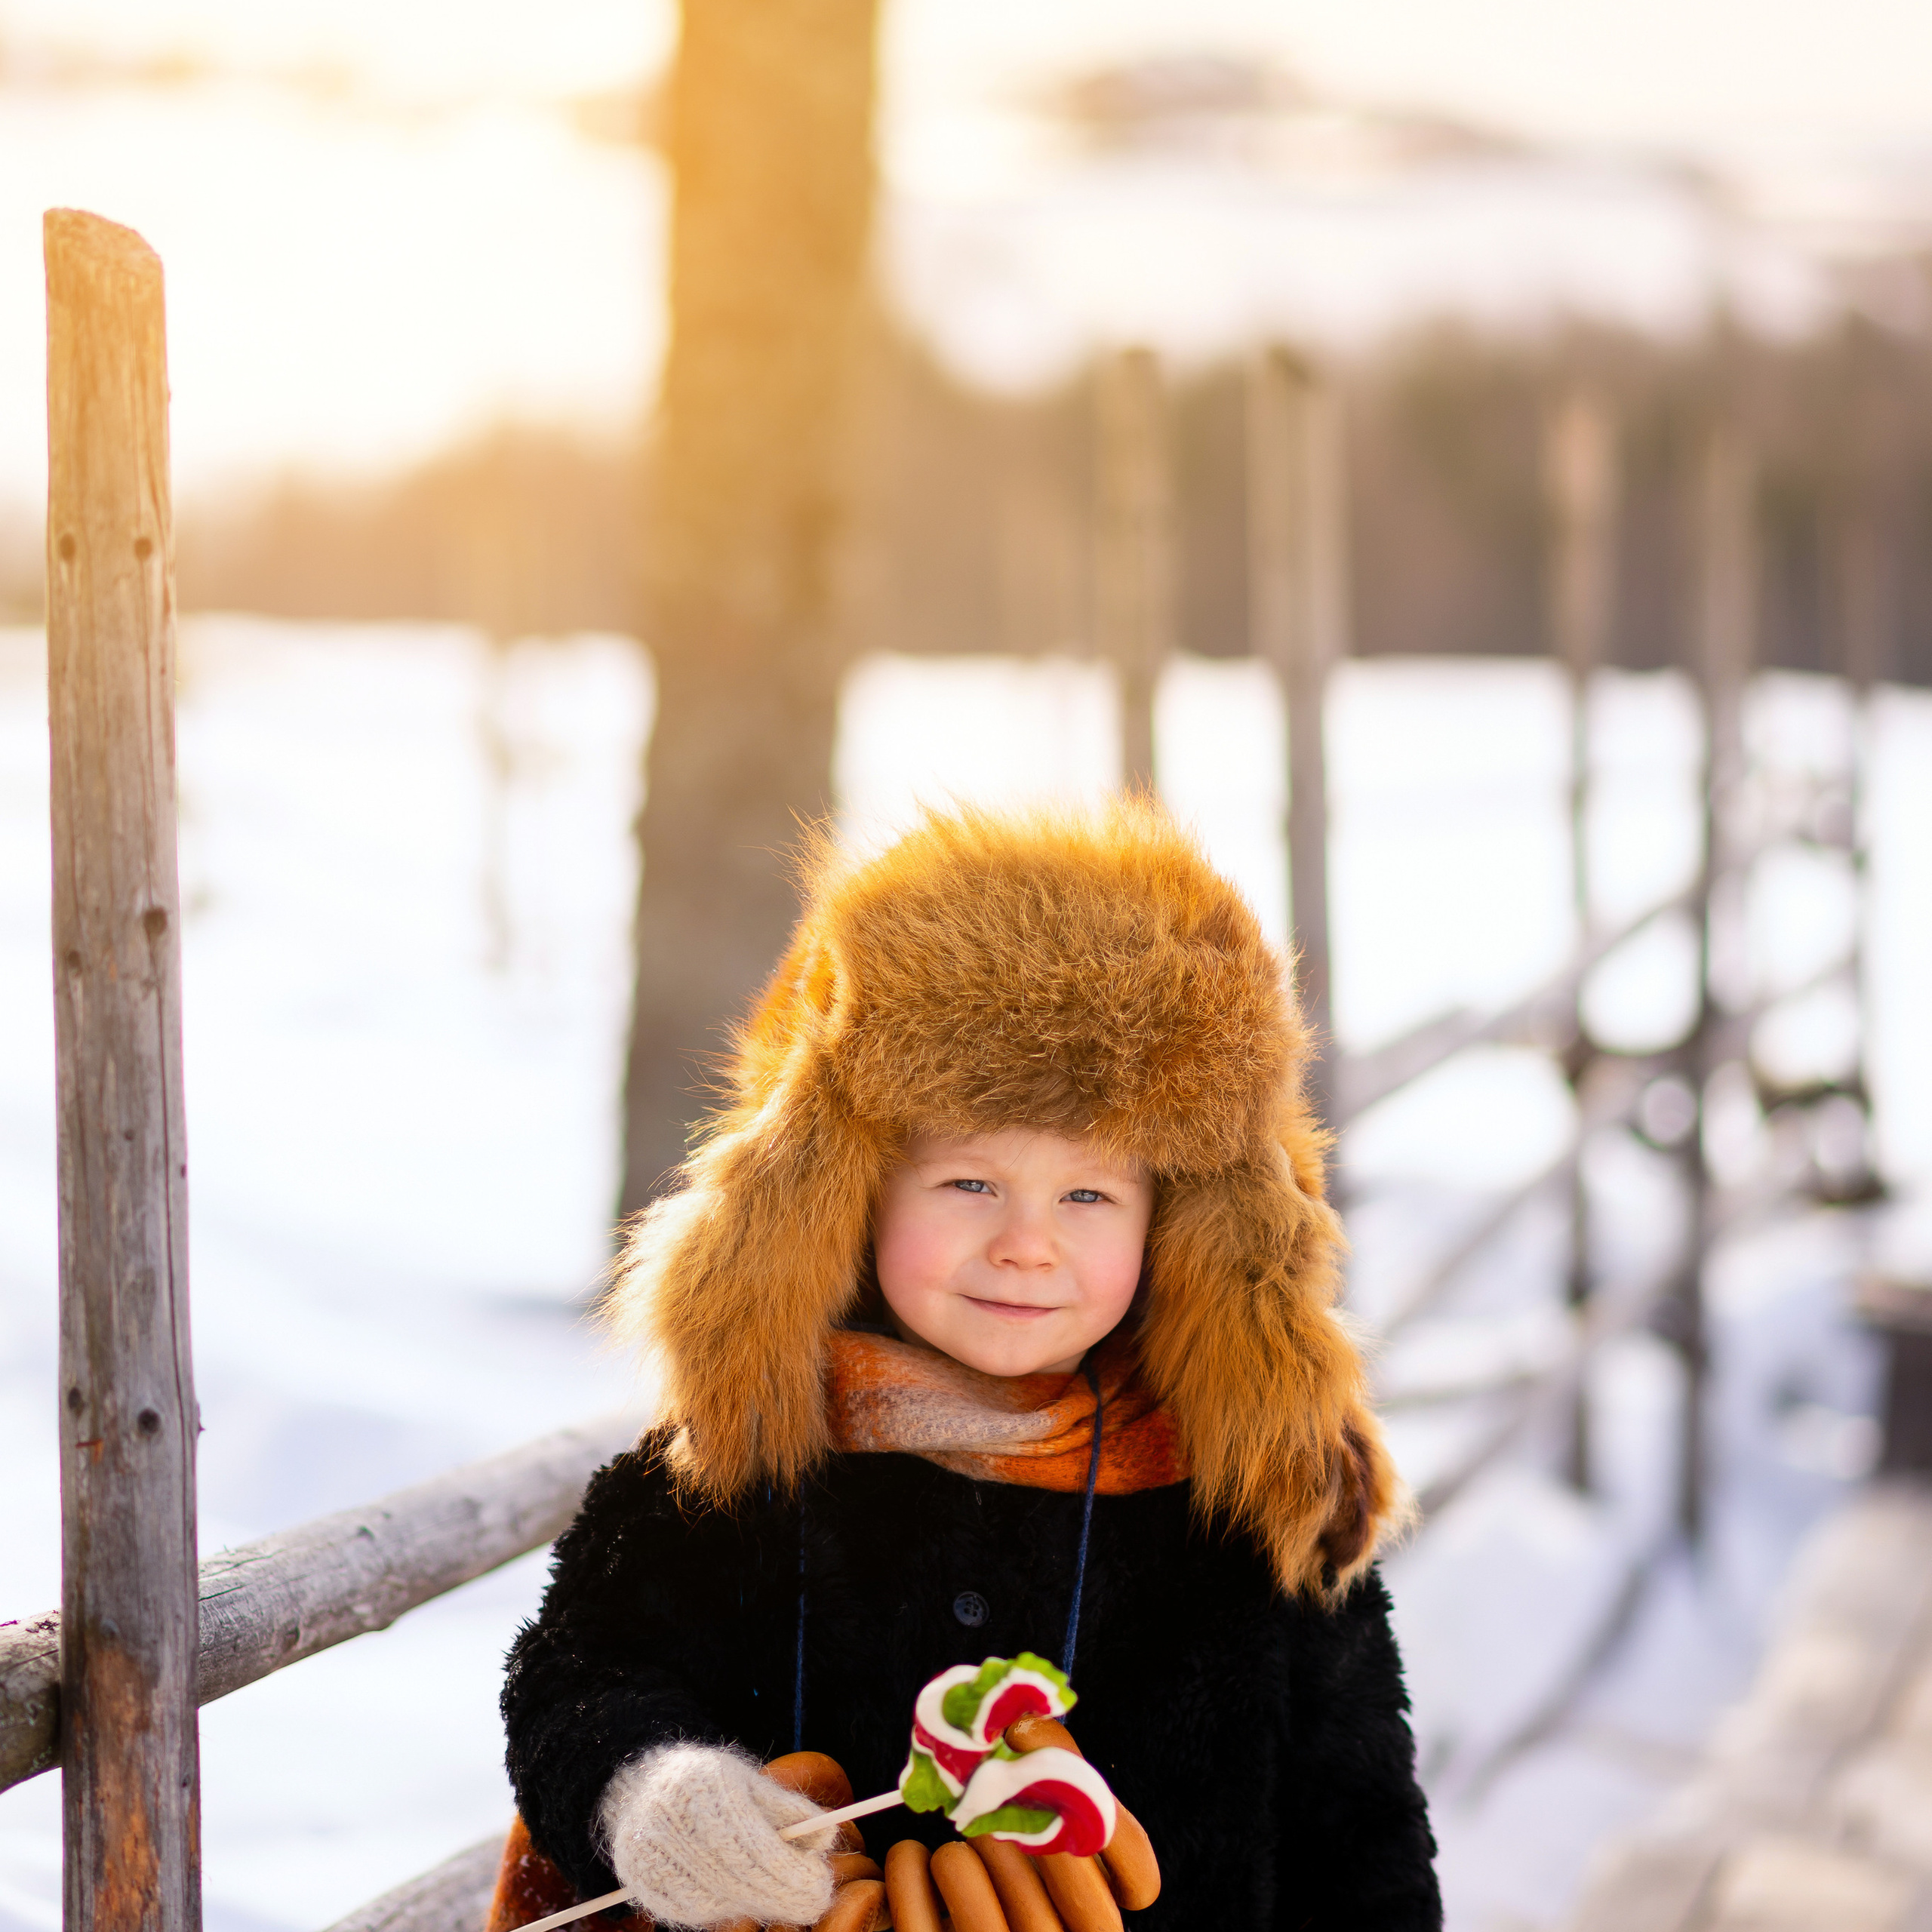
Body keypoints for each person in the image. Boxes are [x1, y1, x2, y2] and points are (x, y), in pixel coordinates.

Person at [500, 801, 1441, 1929]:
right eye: (968, 1184)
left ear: (1183, 1223)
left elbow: (1362, 1839)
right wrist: (655, 1793)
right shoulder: (740, 1465)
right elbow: (575, 1678)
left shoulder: (1253, 1506)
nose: (1026, 1243)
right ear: (847, 1193)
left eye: (1089, 1194)